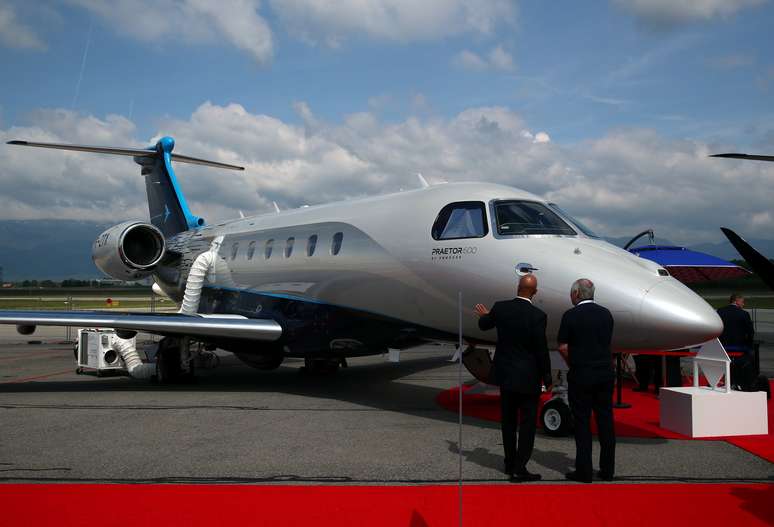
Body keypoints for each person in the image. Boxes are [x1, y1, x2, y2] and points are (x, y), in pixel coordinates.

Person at [475, 274, 552, 482]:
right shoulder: (538, 316)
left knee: (508, 422)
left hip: (507, 376)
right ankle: (520, 466)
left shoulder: (501, 308)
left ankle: (509, 463)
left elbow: (484, 325)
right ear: (534, 292)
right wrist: (547, 375)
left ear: (517, 287)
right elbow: (540, 350)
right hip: (528, 377)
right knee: (527, 424)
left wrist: (485, 315)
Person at [557, 278, 615, 483]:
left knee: (582, 422)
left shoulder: (570, 316)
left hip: (581, 374)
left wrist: (573, 363)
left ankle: (584, 470)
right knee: (605, 421)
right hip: (605, 373)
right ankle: (607, 469)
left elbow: (563, 347)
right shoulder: (606, 314)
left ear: (576, 294)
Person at [717, 293, 755, 389]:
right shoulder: (744, 314)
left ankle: (726, 380)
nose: (743, 305)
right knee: (748, 356)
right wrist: (749, 344)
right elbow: (750, 332)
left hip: (723, 346)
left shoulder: (720, 311)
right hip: (739, 347)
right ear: (736, 301)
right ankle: (740, 381)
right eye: (742, 302)